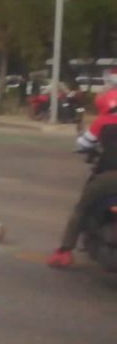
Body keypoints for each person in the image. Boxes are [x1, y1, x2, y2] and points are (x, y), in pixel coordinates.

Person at [48, 90, 117, 268]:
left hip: (108, 177)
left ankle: (64, 251)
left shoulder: (103, 122)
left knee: (81, 209)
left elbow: (84, 144)